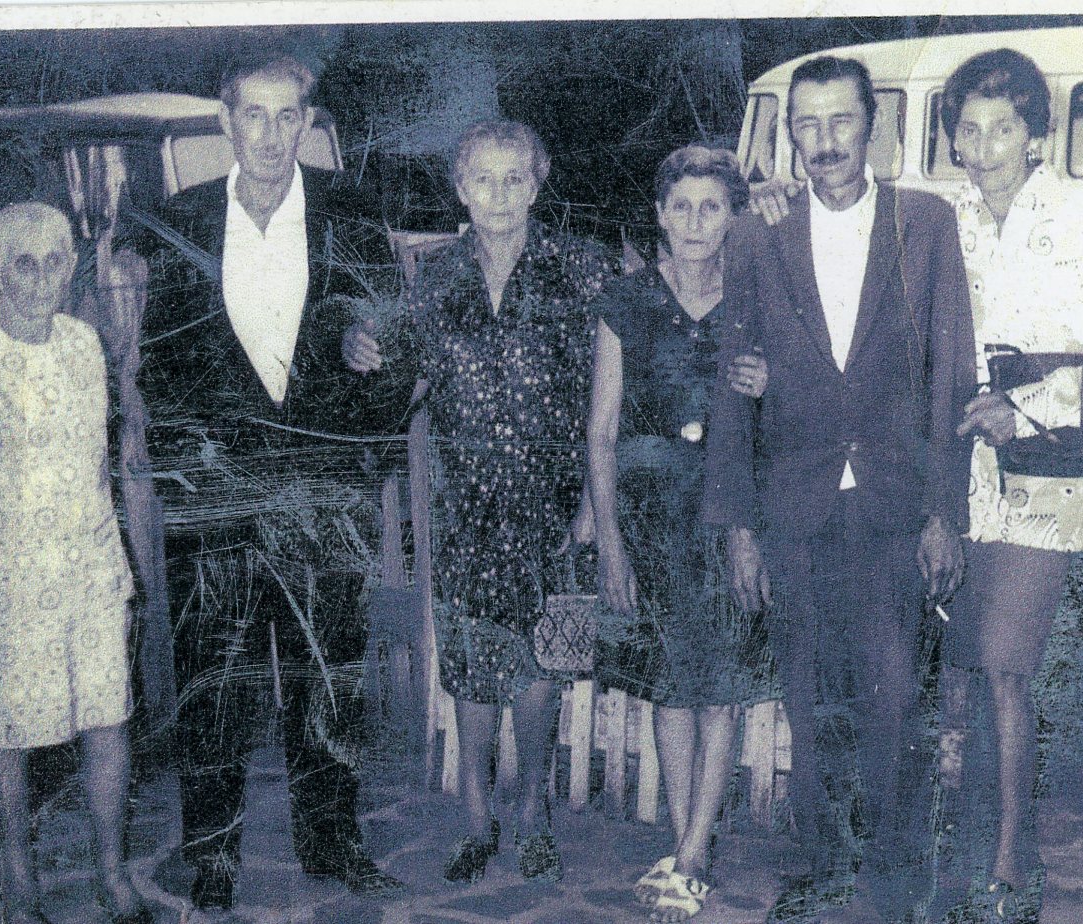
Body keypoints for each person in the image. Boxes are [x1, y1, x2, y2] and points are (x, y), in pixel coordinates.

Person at [703, 56, 977, 924]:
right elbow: (733, 384)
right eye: (807, 125)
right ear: (790, 135)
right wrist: (739, 527)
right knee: (809, 699)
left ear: (874, 128)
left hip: (893, 503)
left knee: (894, 699)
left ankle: (892, 875)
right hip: (796, 502)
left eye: (841, 122)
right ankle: (822, 865)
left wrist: (944, 513)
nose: (824, 142)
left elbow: (949, 371)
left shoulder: (922, 223)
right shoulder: (757, 235)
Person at [133, 50, 408, 909]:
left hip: (322, 489)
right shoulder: (180, 218)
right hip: (218, 494)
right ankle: (213, 857)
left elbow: (392, 342)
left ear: (307, 125)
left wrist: (369, 361)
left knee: (330, 672)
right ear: (226, 122)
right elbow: (158, 368)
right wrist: (193, 473)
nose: (269, 134)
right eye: (252, 114)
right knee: (213, 677)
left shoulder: (350, 212)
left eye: (287, 115)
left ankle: (333, 842)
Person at [344, 119, 612, 886]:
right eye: (483, 180)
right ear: (461, 189)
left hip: (554, 507)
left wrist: (592, 507)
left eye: (513, 178)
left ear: (537, 183)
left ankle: (532, 811)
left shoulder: (583, 269)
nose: (498, 195)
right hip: (464, 507)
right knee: (468, 669)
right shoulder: (435, 276)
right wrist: (360, 346)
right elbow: (396, 364)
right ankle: (475, 819)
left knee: (541, 667)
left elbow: (612, 393)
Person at [933, 48, 1083, 924]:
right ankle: (952, 847)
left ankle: (1010, 857)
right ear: (951, 137)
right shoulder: (934, 217)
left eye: (1003, 128)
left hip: (1046, 467)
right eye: (968, 129)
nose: (984, 147)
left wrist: (1025, 411)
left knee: (1005, 663)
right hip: (949, 470)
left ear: (1035, 134)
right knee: (953, 668)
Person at [0, 202, 152, 924]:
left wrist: (116, 575)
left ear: (72, 266)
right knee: (6, 735)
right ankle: (21, 886)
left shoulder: (85, 345)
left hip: (88, 576)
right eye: (24, 263)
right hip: (4, 588)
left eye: (56, 261)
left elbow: (95, 469)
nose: (43, 278)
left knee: (107, 721)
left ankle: (111, 875)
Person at [585, 145, 777, 922]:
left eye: (712, 207)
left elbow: (784, 421)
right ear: (660, 215)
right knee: (669, 687)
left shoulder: (757, 301)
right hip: (649, 520)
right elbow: (600, 433)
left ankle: (692, 855)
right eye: (682, 206)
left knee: (720, 687)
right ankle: (684, 846)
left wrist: (772, 384)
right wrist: (610, 545)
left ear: (732, 217)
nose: (696, 222)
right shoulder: (625, 302)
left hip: (727, 516)